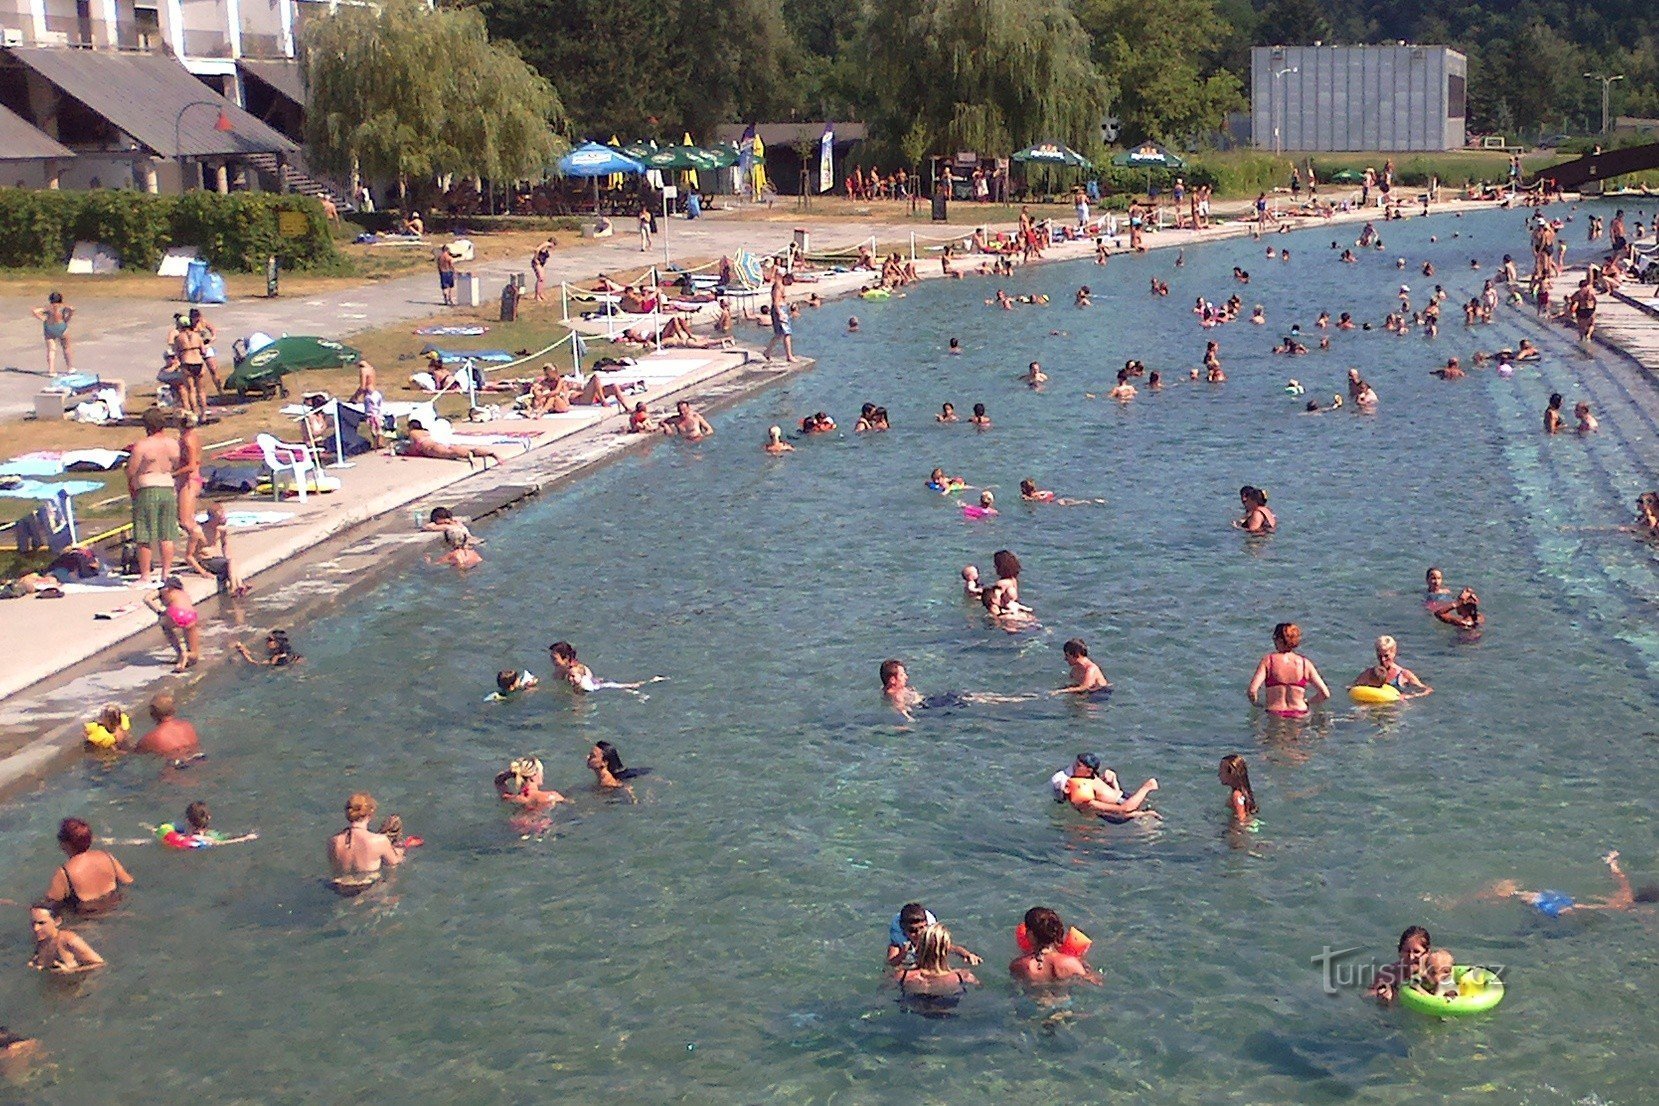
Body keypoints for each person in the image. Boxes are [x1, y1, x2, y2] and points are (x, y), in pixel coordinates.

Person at [1490, 851, 1658, 918]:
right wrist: (1571, 910)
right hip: (1569, 905)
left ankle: (1504, 894)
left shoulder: (1626, 891)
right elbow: (1592, 908)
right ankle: (1504, 896)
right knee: (1532, 903)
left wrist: (1612, 862)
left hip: (1563, 896)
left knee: (1525, 895)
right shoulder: (1626, 905)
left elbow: (1619, 875)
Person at [127, 407, 182, 583]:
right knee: (167, 533)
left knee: (144, 534)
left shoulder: (142, 445)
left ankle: (145, 575)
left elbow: (132, 470)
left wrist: (131, 486)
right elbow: (177, 464)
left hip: (147, 487)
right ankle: (166, 573)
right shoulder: (173, 444)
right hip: (167, 486)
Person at [44, 818, 133, 916]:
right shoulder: (107, 857)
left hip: (87, 918)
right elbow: (128, 881)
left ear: (65, 844)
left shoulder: (64, 873)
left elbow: (50, 903)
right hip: (115, 909)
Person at [1247, 622, 1332, 719]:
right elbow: (1325, 694)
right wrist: (1307, 702)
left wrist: (1257, 705)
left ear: (1279, 640)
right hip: (1300, 714)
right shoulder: (1305, 664)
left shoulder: (1268, 661)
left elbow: (1252, 691)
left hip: (1275, 714)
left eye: (1274, 638)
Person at [327, 793, 404, 895]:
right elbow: (393, 863)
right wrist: (400, 849)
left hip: (338, 888)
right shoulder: (379, 841)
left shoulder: (334, 841)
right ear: (370, 813)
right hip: (367, 888)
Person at [895, 924, 979, 1015]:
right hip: (949, 1018)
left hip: (914, 1016)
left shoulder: (902, 976)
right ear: (947, 950)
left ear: (919, 947)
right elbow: (980, 992)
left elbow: (882, 997)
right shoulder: (963, 977)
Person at [1009, 907, 1100, 987]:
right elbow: (1095, 982)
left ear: (1030, 934)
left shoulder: (1018, 965)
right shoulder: (1070, 963)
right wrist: (1083, 962)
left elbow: (1016, 989)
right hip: (1064, 1003)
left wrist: (1025, 953)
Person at [1060, 753, 1159, 822]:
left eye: (1078, 765)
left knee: (1125, 813)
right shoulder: (1090, 778)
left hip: (1124, 803)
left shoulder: (1083, 791)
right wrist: (1114, 780)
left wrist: (1136, 814)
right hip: (1121, 798)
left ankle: (1148, 786)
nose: (1073, 766)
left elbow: (1124, 809)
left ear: (1088, 771)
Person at [886, 903, 983, 969]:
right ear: (903, 930)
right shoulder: (898, 944)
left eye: (922, 928)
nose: (919, 933)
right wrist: (902, 954)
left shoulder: (930, 940)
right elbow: (891, 963)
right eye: (913, 930)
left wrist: (967, 954)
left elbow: (953, 948)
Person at [187, 499, 244, 595]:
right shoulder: (198, 531)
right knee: (231, 563)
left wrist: (227, 556)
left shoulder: (221, 529)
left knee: (231, 562)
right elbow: (189, 556)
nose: (222, 523)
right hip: (205, 561)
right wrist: (203, 573)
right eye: (219, 520)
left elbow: (225, 544)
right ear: (212, 519)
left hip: (217, 560)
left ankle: (238, 586)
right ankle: (235, 587)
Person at [548, 640, 652, 693]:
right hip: (595, 681)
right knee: (624, 687)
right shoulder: (563, 669)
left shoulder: (573, 671)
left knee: (628, 687)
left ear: (566, 658)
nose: (552, 661)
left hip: (595, 688)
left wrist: (577, 710)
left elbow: (579, 693)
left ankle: (652, 681)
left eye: (555, 659)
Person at [142, 575, 199, 672]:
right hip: (191, 615)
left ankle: (180, 653)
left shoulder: (163, 591)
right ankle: (188, 655)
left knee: (165, 625)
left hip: (175, 613)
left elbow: (147, 599)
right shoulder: (183, 593)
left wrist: (159, 611)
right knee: (194, 656)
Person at [28, 904, 104, 974]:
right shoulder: (41, 940)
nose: (36, 928)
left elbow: (100, 964)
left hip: (72, 985)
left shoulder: (68, 939)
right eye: (33, 923)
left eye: (41, 923)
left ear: (57, 921)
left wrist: (70, 970)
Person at [1351, 635, 1431, 697]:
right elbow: (1352, 687)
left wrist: (1408, 696)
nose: (1382, 660)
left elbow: (1427, 690)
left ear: (1394, 652)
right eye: (1379, 656)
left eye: (1386, 656)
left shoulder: (1403, 674)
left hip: (1394, 708)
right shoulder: (1370, 673)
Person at [406, 419, 515, 465]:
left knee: (450, 454)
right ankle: (491, 454)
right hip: (437, 444)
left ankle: (468, 455)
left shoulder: (413, 433)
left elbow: (413, 448)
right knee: (453, 450)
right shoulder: (425, 432)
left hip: (431, 449)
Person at [1369, 926, 1431, 1003]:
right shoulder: (1387, 975)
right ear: (1400, 952)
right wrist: (1382, 998)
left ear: (1428, 953)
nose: (1411, 957)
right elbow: (1367, 997)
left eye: (1416, 951)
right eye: (1407, 951)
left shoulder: (1436, 972)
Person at [497, 757, 566, 811]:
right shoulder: (551, 796)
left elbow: (498, 781)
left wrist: (513, 773)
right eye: (540, 772)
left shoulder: (509, 798)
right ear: (534, 775)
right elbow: (572, 805)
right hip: (540, 826)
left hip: (516, 824)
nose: (542, 775)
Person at [32, 291, 73, 374]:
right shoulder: (63, 306)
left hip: (49, 327)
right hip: (61, 326)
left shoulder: (48, 307)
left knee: (51, 350)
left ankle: (51, 370)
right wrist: (68, 317)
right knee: (66, 348)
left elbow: (35, 311)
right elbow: (72, 309)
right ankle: (70, 368)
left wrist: (43, 318)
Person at [762, 267, 796, 363]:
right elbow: (776, 301)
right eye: (790, 281)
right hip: (779, 310)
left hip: (782, 309)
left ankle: (767, 352)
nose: (790, 284)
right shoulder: (778, 286)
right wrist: (780, 313)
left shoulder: (780, 286)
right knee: (786, 333)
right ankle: (789, 356)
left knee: (779, 334)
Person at [188, 308, 222, 395]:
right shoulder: (188, 326)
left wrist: (213, 337)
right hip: (195, 349)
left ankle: (220, 390)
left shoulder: (203, 322)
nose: (196, 320)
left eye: (197, 318)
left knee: (213, 369)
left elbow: (212, 329)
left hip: (206, 346)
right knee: (197, 373)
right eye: (194, 318)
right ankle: (197, 391)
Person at [1219, 754, 1258, 825]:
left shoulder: (1236, 795)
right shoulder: (1241, 792)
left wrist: (1235, 834)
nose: (1219, 774)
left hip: (1239, 830)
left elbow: (1242, 819)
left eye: (1222, 771)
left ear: (1232, 774)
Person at [232, 628, 300, 667]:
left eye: (270, 640)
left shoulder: (276, 657)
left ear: (277, 643)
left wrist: (241, 652)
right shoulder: (285, 651)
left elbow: (255, 664)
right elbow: (259, 655)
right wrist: (245, 649)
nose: (267, 641)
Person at [530, 237, 555, 302]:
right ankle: (537, 296)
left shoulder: (546, 246)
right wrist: (536, 259)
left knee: (542, 279)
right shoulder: (546, 244)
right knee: (540, 278)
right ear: (552, 243)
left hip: (541, 264)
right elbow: (537, 250)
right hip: (537, 263)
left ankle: (540, 294)